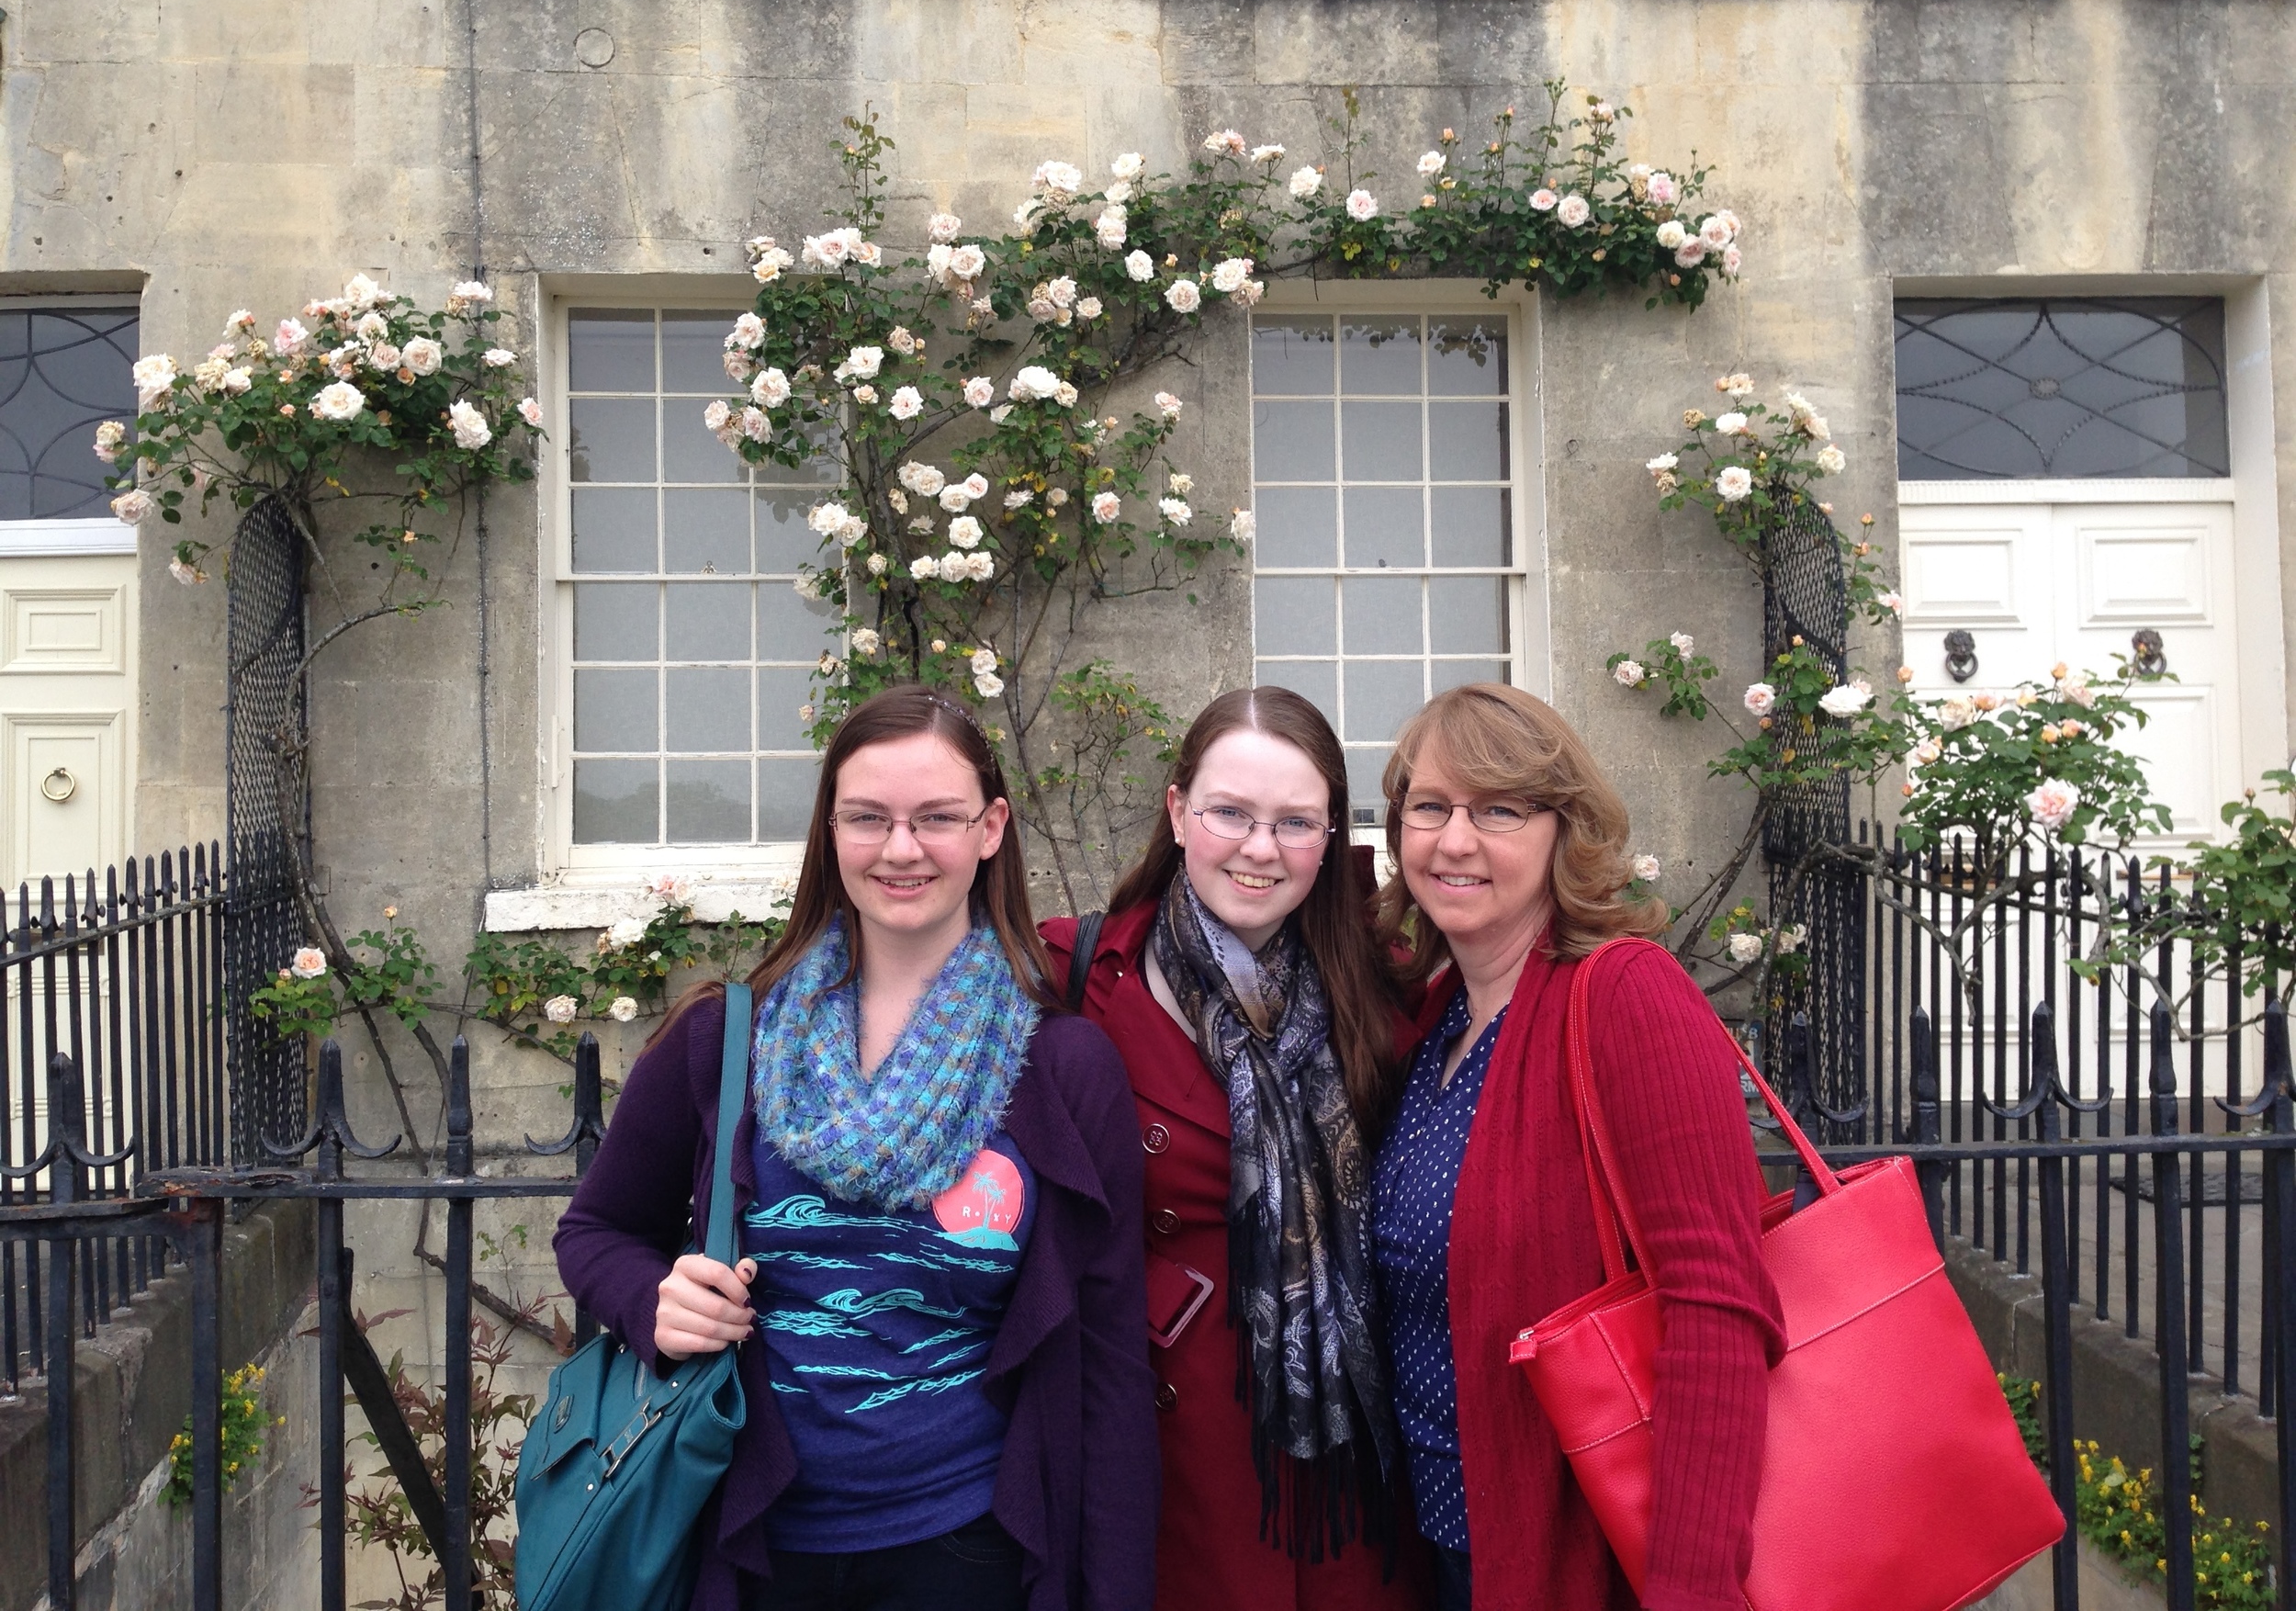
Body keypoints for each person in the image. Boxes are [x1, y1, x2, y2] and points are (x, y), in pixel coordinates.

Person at [555, 684, 1155, 1611]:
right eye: (867, 817)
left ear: (990, 827)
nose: (901, 848)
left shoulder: (1064, 1066)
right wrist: (654, 1300)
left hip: (969, 1549)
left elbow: (1109, 1368)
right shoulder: (727, 1041)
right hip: (751, 1540)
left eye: (936, 818)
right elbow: (595, 1232)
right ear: (831, 831)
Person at [1367, 683, 1784, 1611]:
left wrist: (1689, 1587)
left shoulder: (1627, 995)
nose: (1455, 839)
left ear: (1564, 830)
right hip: (1446, 1546)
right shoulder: (1434, 1025)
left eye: (1498, 809)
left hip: (1592, 1560)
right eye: (1428, 808)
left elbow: (1716, 1306)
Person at [1042, 685, 1425, 1611]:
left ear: (1331, 836)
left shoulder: (1386, 991)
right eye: (1230, 814)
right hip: (1161, 1448)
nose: (1260, 850)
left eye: (1295, 822)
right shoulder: (1067, 976)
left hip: (1348, 1463)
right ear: (1178, 812)